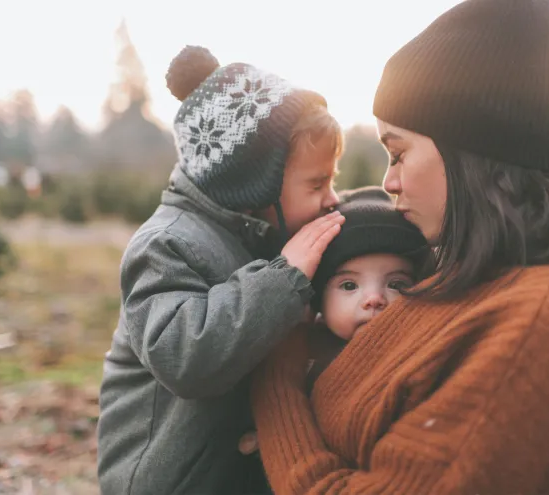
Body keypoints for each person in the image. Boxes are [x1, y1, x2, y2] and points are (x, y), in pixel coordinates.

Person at [251, 1, 549, 494]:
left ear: (469, 151)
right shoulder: (489, 275)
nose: (388, 181)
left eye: (398, 153)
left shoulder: (538, 327)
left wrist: (277, 387)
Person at [97, 45, 345, 495]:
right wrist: (284, 278)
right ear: (255, 184)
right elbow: (184, 357)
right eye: (317, 183)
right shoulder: (166, 244)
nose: (333, 197)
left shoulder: (262, 235)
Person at [304, 186, 431, 391]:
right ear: (320, 301)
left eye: (396, 285)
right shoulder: (302, 352)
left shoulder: (420, 352)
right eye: (349, 285)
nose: (374, 298)